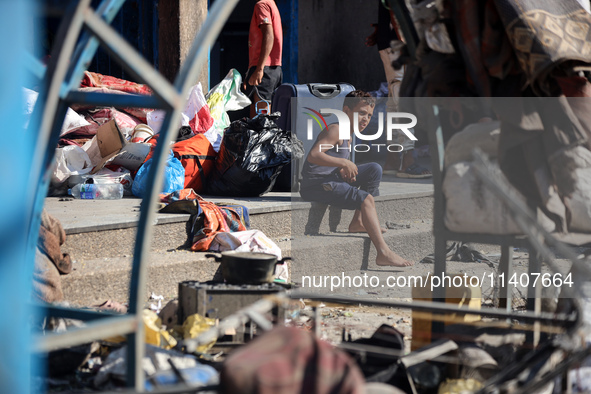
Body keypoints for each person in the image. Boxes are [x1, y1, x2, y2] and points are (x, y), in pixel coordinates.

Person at [299, 90, 414, 267]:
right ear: (346, 112)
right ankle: (383, 252)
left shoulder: (349, 134)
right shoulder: (336, 130)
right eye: (361, 113)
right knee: (366, 199)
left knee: (374, 169)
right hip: (316, 185)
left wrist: (341, 167)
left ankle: (358, 222)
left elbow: (333, 159)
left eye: (369, 115)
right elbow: (313, 155)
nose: (366, 119)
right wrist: (343, 162)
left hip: (331, 178)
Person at [366, 1, 431, 178]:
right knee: (403, 101)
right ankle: (407, 160)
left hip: (394, 40)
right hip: (399, 43)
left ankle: (393, 160)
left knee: (396, 102)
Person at [243, 0, 283, 118]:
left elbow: (269, 35)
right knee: (257, 117)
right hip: (271, 68)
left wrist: (259, 69)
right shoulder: (271, 4)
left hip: (264, 69)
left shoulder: (262, 5)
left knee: (261, 120)